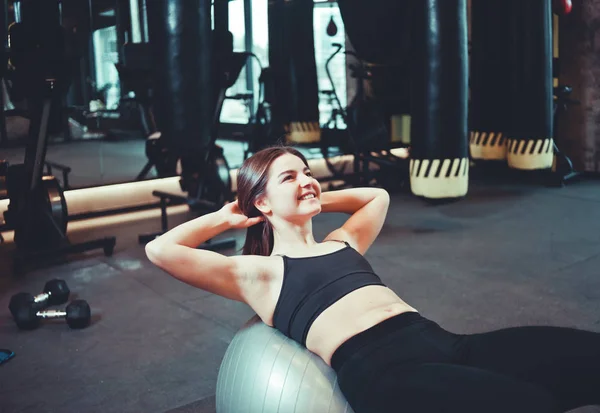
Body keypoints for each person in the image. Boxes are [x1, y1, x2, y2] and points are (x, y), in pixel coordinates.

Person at [146, 145, 600, 413]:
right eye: (290, 176)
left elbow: (377, 197)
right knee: (527, 404)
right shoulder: (260, 274)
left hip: (445, 343)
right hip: (384, 372)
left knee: (583, 357)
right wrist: (226, 217)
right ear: (262, 203)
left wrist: (310, 194)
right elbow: (160, 251)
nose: (306, 179)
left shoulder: (342, 243)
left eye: (308, 172)